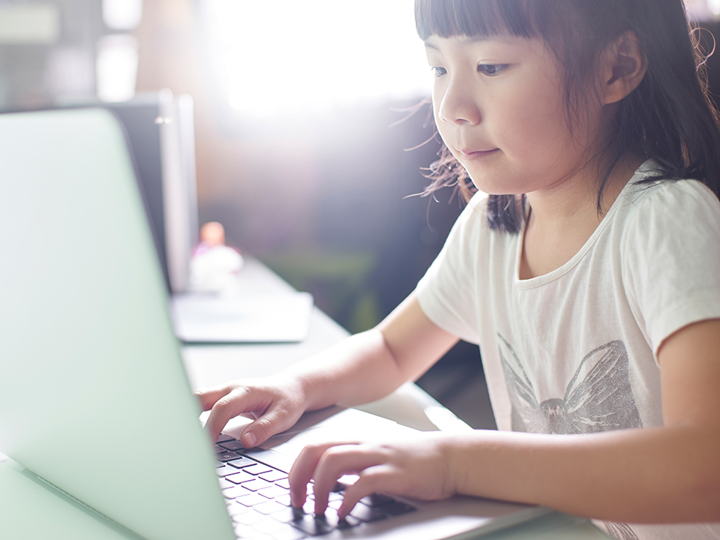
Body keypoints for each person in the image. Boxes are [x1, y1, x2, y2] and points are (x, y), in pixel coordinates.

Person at [196, 1, 720, 538]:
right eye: (439, 67)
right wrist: (297, 386)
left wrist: (455, 462)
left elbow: (706, 465)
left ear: (617, 66)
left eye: (491, 66)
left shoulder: (666, 224)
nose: (452, 106)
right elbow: (393, 348)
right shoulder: (493, 226)